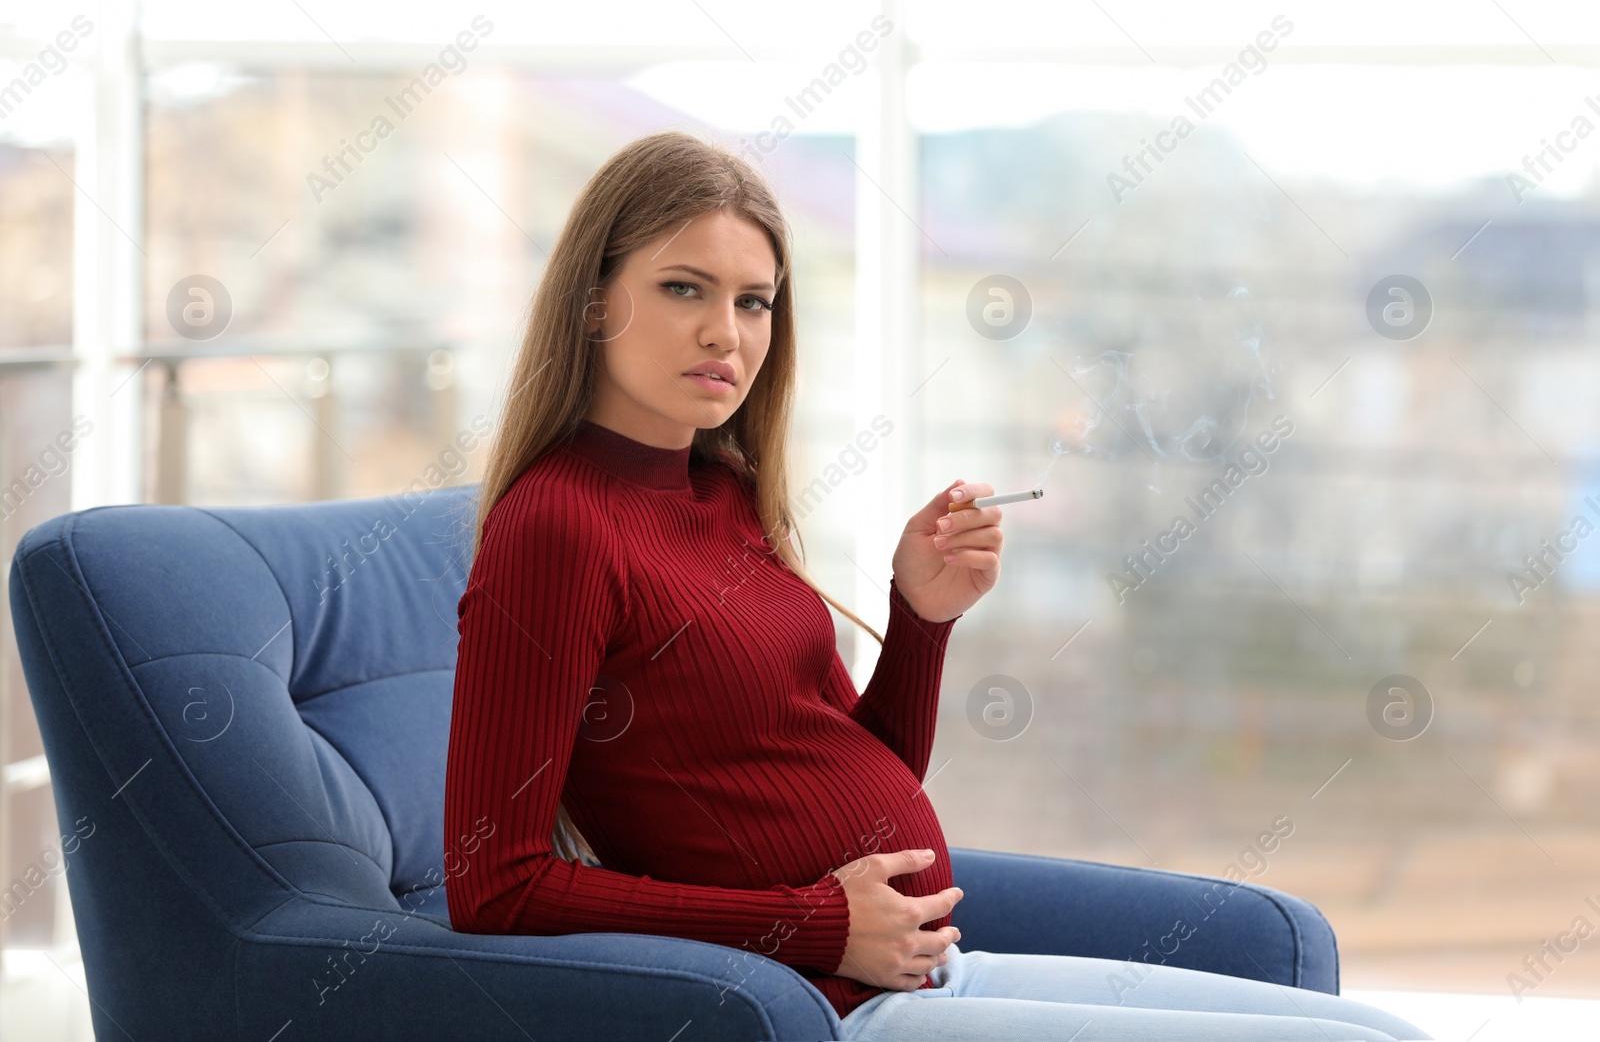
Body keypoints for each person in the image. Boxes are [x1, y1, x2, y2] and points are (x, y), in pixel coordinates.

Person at [442, 130, 1430, 1041]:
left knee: (1388, 1033)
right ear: (590, 300)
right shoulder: (557, 526)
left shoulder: (724, 492)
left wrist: (919, 618)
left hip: (930, 973)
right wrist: (810, 925)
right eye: (683, 289)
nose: (726, 333)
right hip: (830, 1009)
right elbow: (495, 883)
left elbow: (863, 770)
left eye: (754, 300)